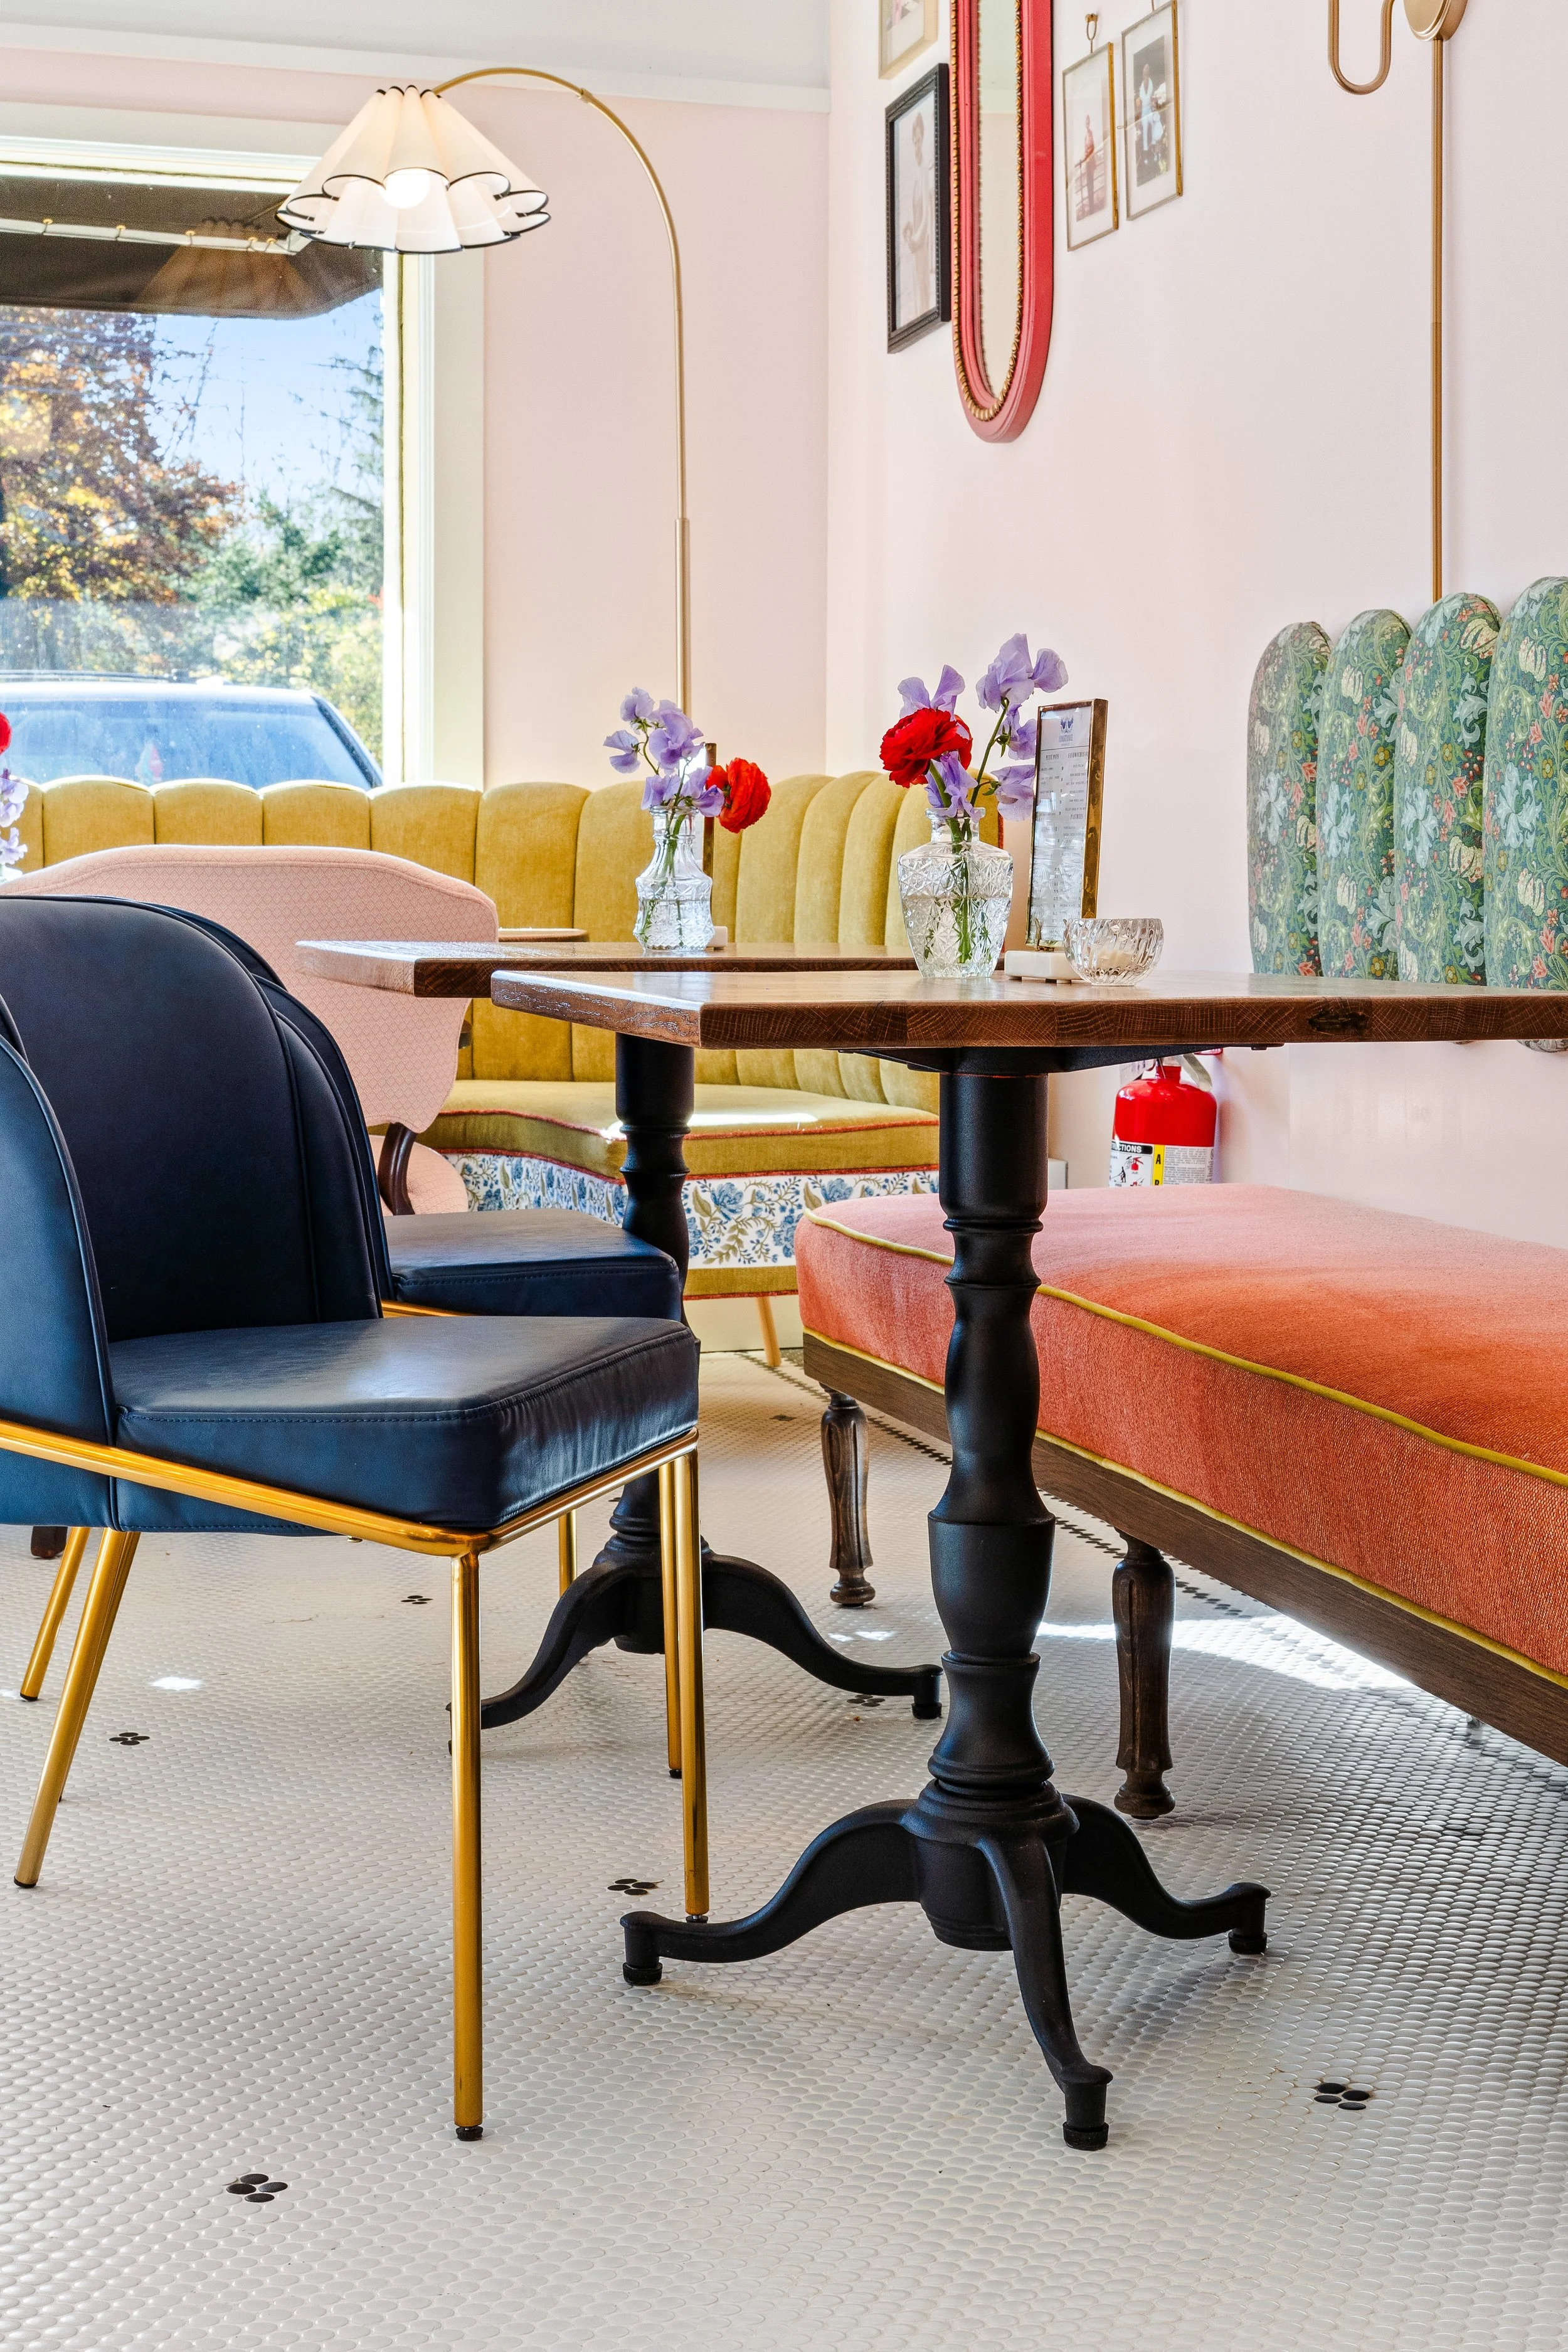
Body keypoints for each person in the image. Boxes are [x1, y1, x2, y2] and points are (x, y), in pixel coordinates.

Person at [901, 108, 934, 321]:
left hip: (922, 245)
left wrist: (917, 238)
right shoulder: (913, 176)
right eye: (914, 141)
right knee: (914, 286)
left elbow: (928, 215)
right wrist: (907, 231)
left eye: (919, 140)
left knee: (923, 286)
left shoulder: (924, 174)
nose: (916, 146)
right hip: (914, 246)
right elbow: (912, 213)